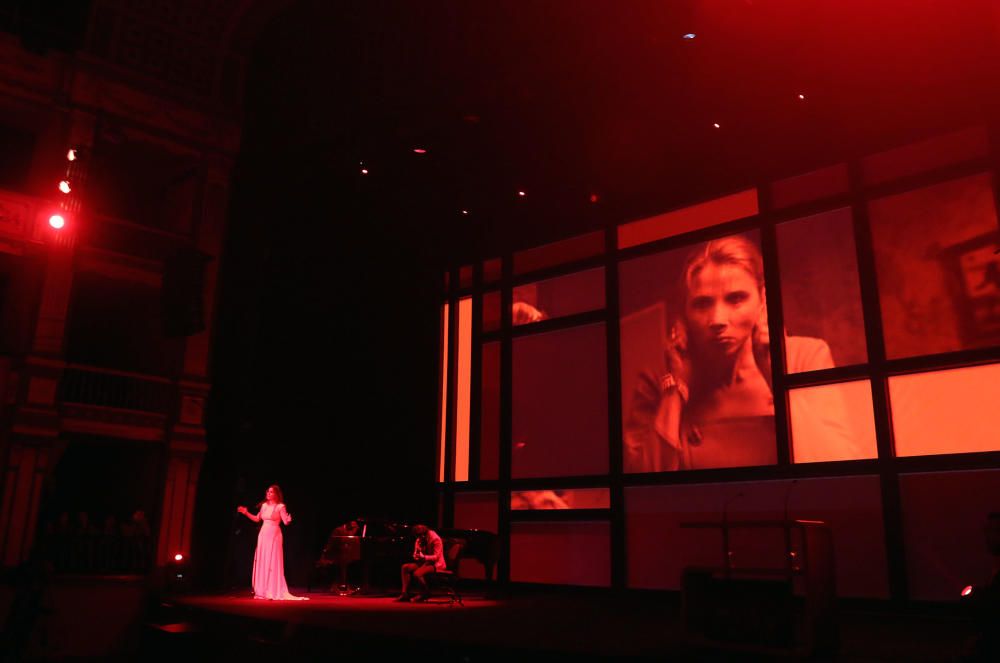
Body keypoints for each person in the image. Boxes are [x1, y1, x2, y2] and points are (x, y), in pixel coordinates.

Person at [624, 234, 858, 472]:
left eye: (736, 299)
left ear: (762, 299)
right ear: (683, 312)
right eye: (702, 304)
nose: (717, 320)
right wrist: (675, 392)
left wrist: (775, 375)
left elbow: (838, 463)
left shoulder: (804, 357)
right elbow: (639, 488)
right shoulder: (659, 380)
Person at [237, 485, 308, 600]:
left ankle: (273, 589)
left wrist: (289, 520)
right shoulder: (264, 506)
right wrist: (246, 512)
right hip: (263, 535)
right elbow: (257, 519)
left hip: (274, 535)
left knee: (273, 561)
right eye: (268, 491)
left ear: (276, 494)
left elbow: (285, 522)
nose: (268, 493)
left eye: (271, 492)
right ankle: (263, 589)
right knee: (263, 560)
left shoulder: (281, 506)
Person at [395, 524, 445, 602]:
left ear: (424, 534)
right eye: (417, 536)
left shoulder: (435, 539)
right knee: (405, 567)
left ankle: (425, 593)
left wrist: (424, 557)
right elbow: (416, 553)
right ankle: (405, 594)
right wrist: (416, 556)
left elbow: (436, 557)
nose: (418, 538)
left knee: (417, 573)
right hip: (423, 563)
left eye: (420, 536)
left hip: (435, 564)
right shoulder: (419, 539)